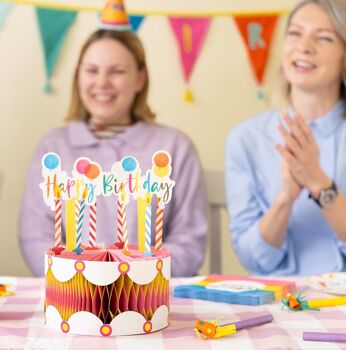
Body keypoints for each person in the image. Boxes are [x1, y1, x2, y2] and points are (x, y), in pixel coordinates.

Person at [19, 28, 208, 277]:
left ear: (140, 79)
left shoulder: (174, 149)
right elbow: (35, 237)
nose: (102, 82)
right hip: (74, 299)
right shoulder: (53, 149)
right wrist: (83, 279)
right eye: (91, 70)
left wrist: (127, 279)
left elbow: (189, 242)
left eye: (117, 71)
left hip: (147, 299)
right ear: (78, 77)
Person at [225, 0, 346, 276]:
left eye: (325, 37)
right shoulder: (245, 139)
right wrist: (286, 197)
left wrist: (317, 181)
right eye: (295, 33)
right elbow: (252, 259)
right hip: (278, 302)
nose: (303, 46)